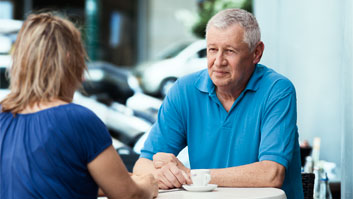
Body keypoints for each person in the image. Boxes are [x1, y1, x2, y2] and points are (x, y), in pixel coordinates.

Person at [133, 8, 303, 199]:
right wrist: (161, 174)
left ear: (257, 53)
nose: (218, 61)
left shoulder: (277, 90)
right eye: (212, 49)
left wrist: (192, 176)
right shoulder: (184, 91)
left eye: (230, 51)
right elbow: (142, 164)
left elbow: (271, 174)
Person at [0, 13, 158, 199]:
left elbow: (50, 181)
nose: (82, 76)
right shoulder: (76, 119)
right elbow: (129, 195)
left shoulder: (3, 117)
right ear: (69, 61)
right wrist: (148, 184)